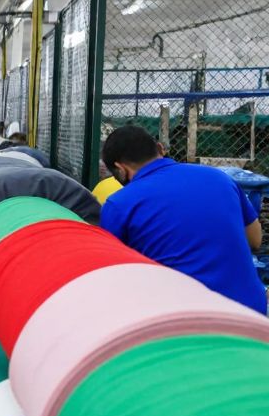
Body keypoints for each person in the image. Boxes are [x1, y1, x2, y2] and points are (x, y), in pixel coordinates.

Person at [100, 125, 266, 313]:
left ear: (120, 169)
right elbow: (255, 240)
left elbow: (111, 274)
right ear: (160, 148)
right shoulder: (219, 178)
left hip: (183, 318)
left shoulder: (119, 204)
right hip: (251, 313)